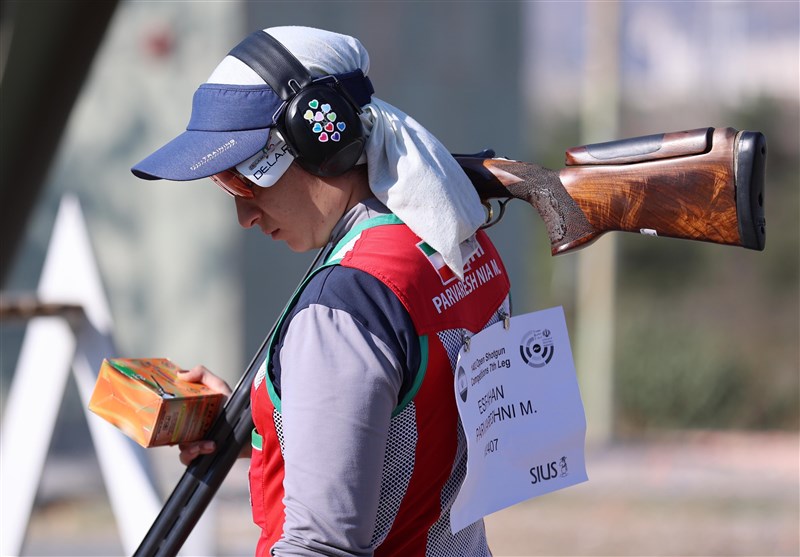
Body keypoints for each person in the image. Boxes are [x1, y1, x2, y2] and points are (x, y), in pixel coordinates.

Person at [131, 26, 511, 557]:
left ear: (318, 139)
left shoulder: (346, 304)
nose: (243, 214)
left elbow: (320, 547)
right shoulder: (461, 242)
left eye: (244, 180)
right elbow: (419, 435)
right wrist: (274, 414)